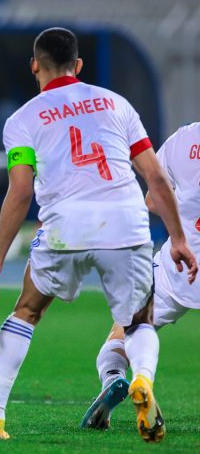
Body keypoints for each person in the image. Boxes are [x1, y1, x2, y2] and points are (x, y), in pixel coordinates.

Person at [0, 27, 197, 443]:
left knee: (27, 311)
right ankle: (142, 379)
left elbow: (20, 192)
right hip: (126, 223)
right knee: (138, 320)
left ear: (34, 66)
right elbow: (156, 178)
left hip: (65, 226)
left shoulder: (21, 120)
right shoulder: (116, 104)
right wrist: (178, 238)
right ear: (78, 66)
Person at [81, 122, 200, 431]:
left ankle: (128, 377)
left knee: (128, 327)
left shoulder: (185, 138)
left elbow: (151, 199)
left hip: (181, 264)